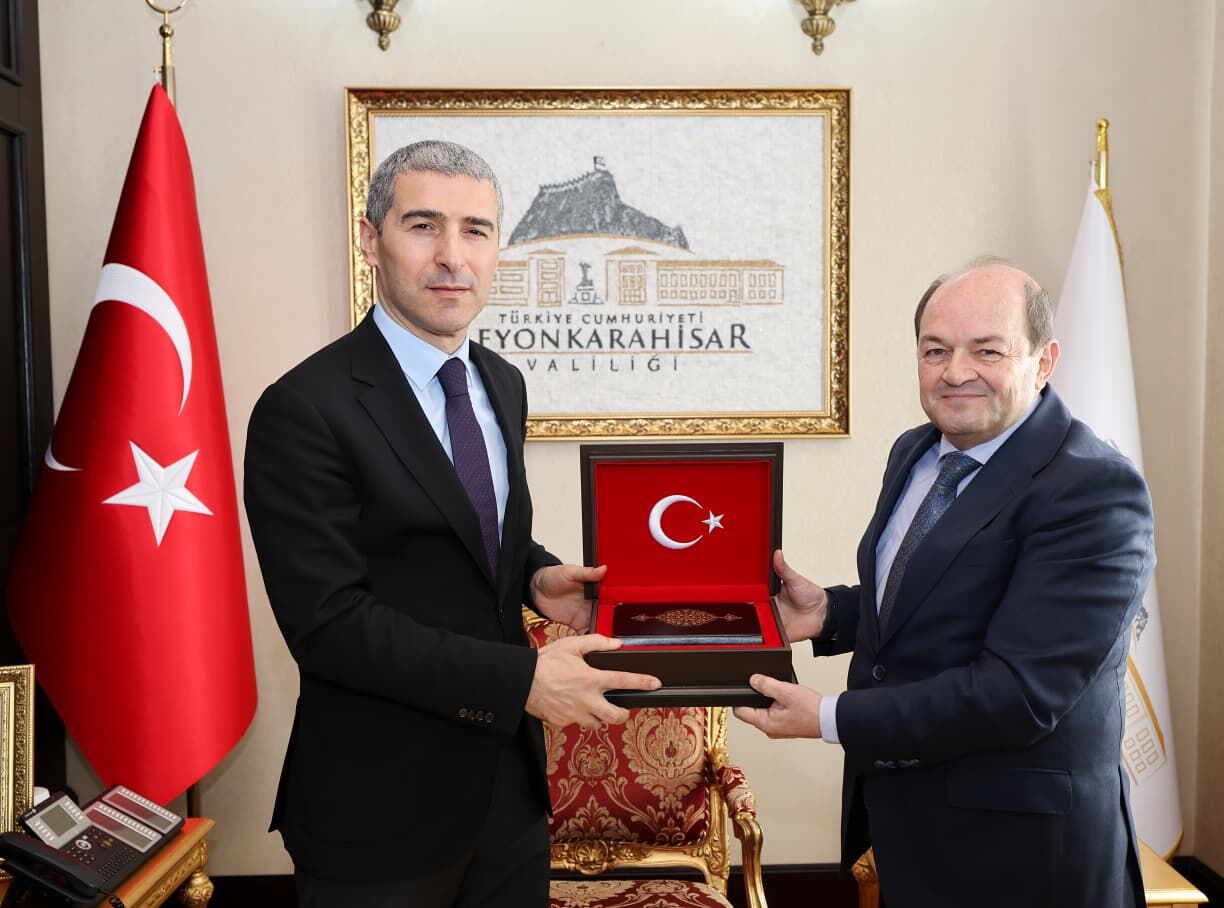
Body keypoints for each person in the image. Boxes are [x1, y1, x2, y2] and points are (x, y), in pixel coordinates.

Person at [244, 140, 659, 908]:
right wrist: (522, 680)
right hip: (378, 810)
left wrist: (536, 575)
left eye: (476, 230)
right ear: (371, 240)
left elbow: (470, 533)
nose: (452, 256)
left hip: (508, 799)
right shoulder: (303, 409)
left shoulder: (501, 381)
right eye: (423, 225)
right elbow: (328, 623)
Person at [735, 259, 1153, 908]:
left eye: (987, 350)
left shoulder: (1093, 488)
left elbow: (1018, 693)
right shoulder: (916, 451)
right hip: (908, 830)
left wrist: (828, 717)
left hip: (1023, 855)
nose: (956, 372)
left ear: (1044, 361)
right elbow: (945, 600)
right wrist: (830, 614)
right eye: (936, 350)